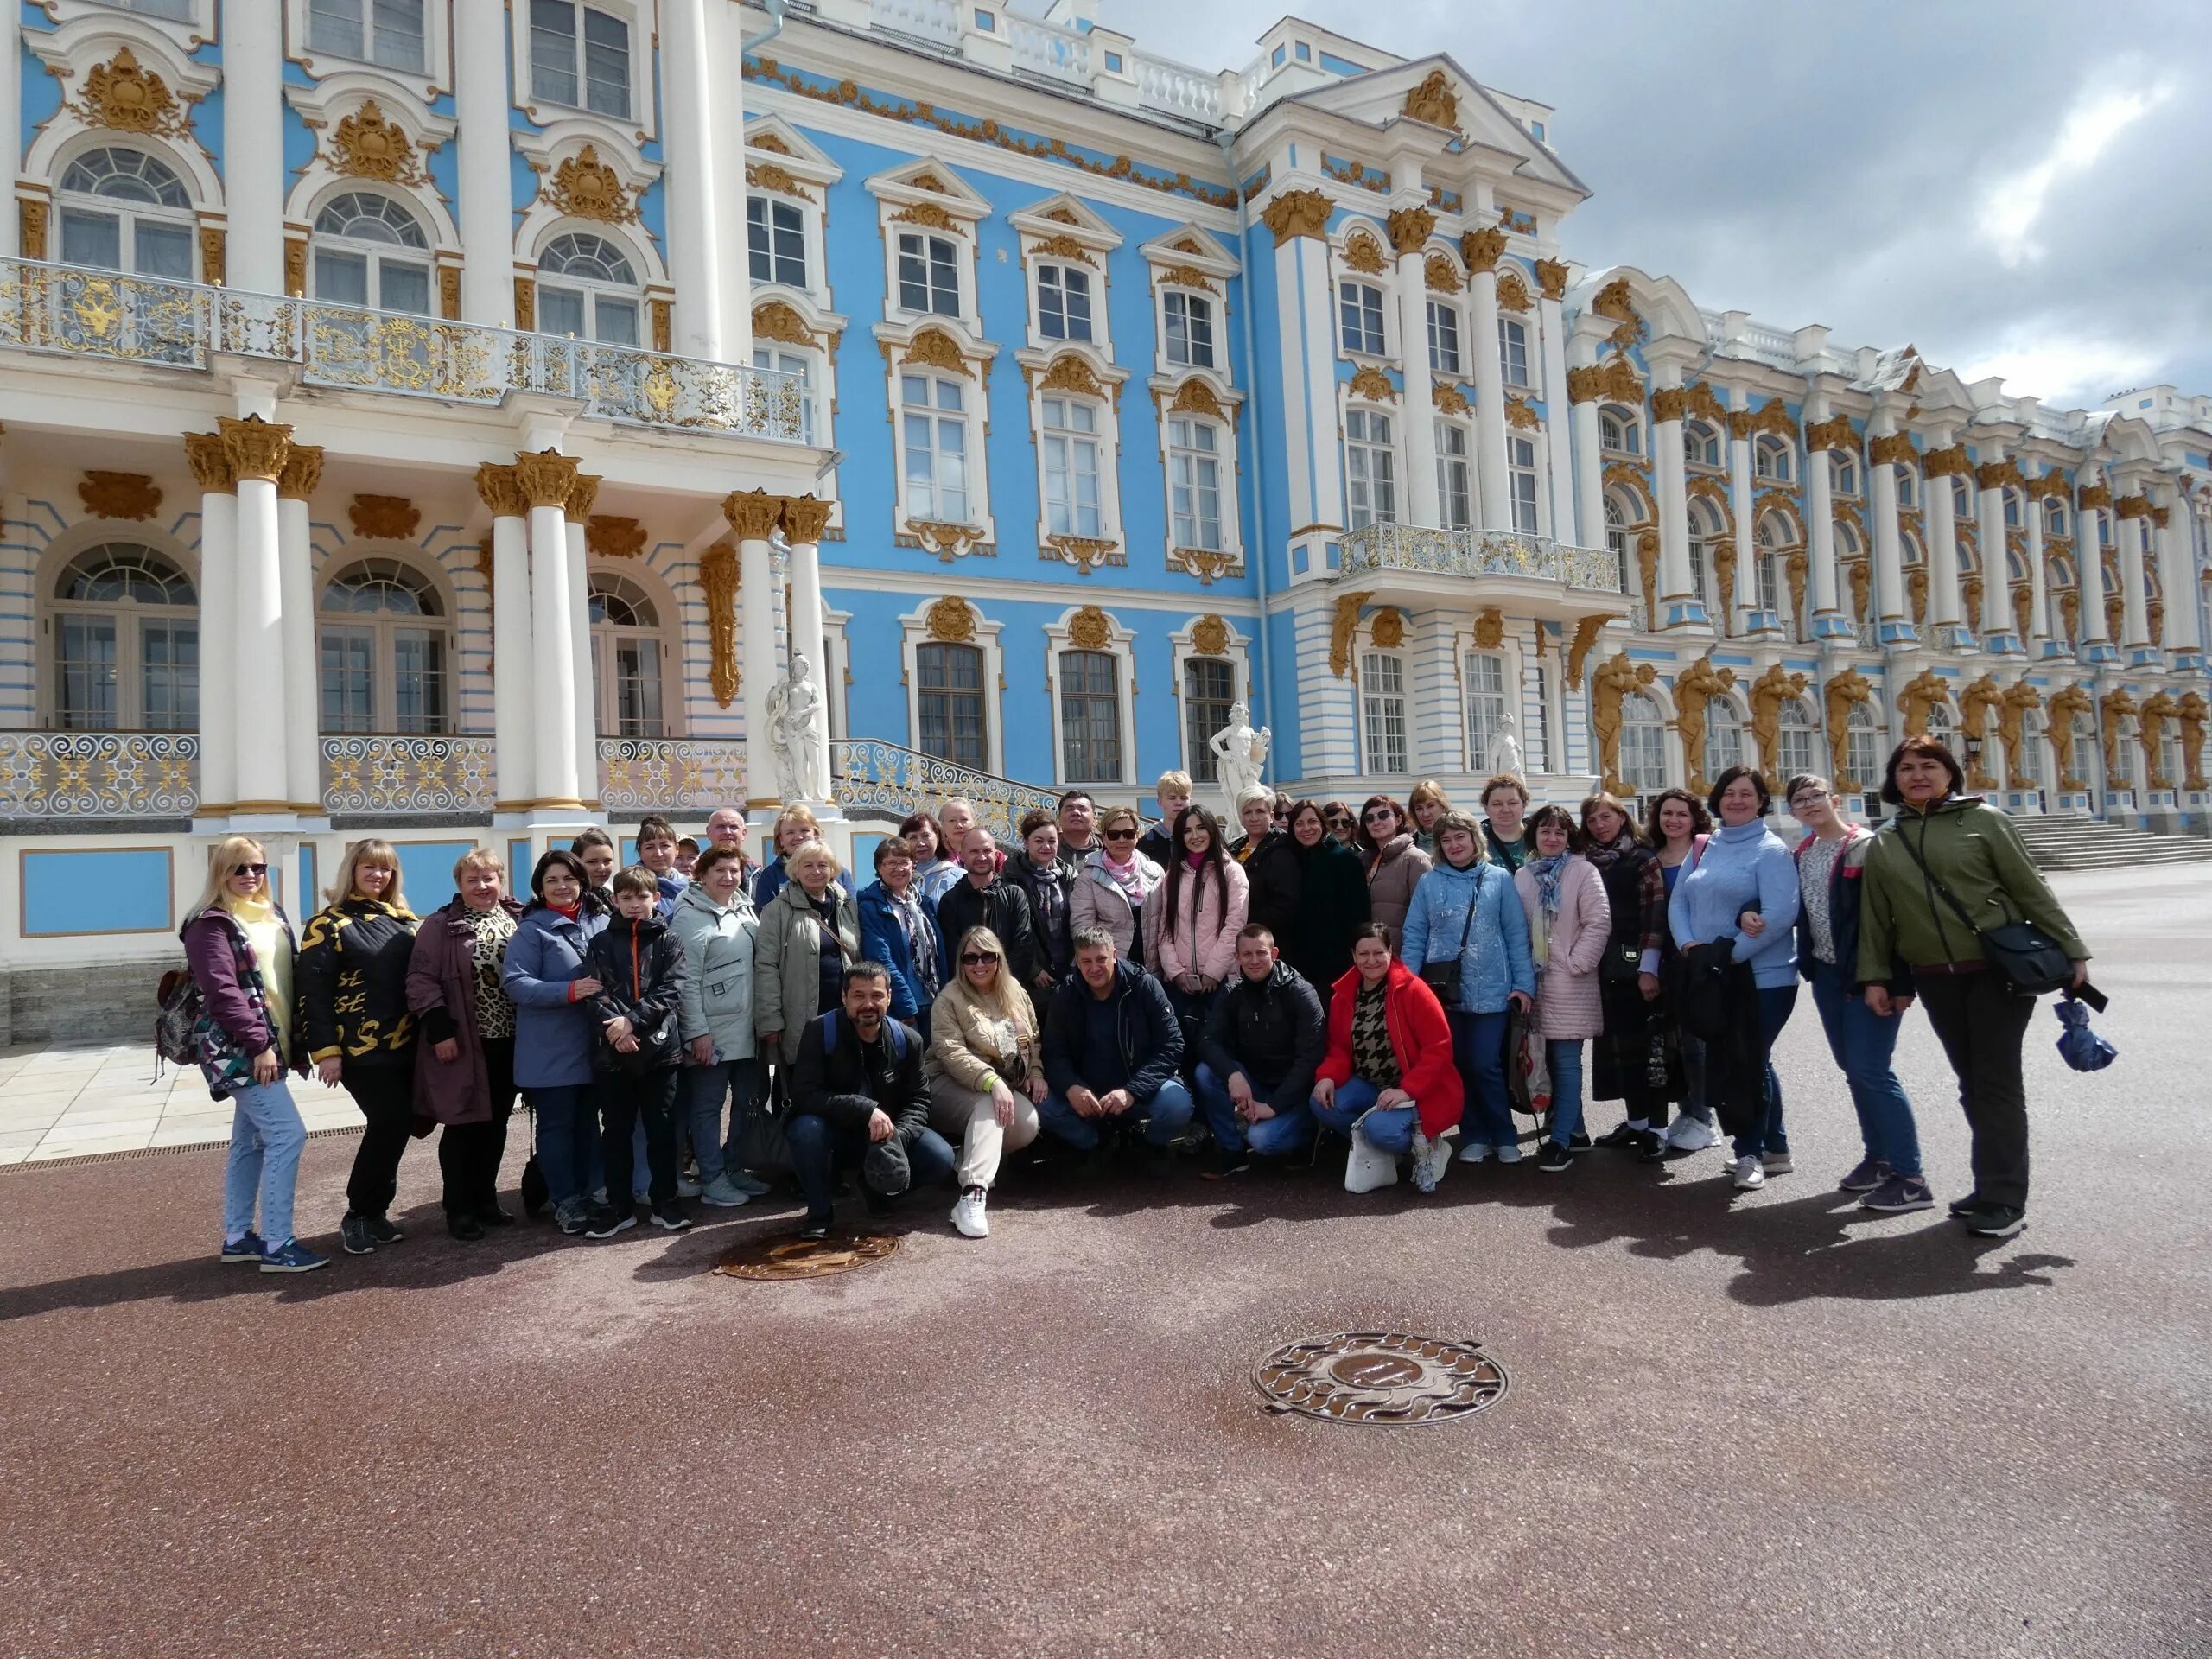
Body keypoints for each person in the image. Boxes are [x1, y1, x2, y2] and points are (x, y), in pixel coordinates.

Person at [1858, 736, 2091, 1238]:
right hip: (1935, 978)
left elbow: (2030, 887)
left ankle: (2005, 1197)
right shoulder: (1885, 839)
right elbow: (1878, 919)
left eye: (1928, 766)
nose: (1917, 775)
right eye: (1906, 768)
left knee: (1996, 1082)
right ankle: (1989, 1185)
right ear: (1893, 780)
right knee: (1971, 1081)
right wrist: (1875, 977)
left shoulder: (1986, 822)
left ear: (1949, 773)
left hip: (1995, 972)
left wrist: (2073, 949)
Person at [1781, 773, 1929, 1211]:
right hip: (1827, 975)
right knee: (1855, 1069)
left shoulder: (1869, 846)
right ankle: (1879, 1157)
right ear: (1792, 811)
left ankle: (1912, 1176)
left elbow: (1896, 916)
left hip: (1870, 975)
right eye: (1799, 800)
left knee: (1872, 1070)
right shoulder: (1803, 853)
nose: (1809, 805)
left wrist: (1896, 981)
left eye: (1815, 797)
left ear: (1836, 800)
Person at [182, 836, 324, 1274]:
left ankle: (239, 1236)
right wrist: (259, 1045)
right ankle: (279, 1243)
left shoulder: (273, 915)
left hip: (273, 1044)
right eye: (238, 869)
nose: (249, 876)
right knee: (287, 1134)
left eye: (257, 868)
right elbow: (223, 994)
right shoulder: (210, 924)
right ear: (220, 873)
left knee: (251, 1141)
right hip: (241, 1049)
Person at [1669, 766, 1801, 1192]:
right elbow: (1679, 902)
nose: (1737, 800)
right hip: (1716, 972)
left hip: (1763, 978)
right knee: (1751, 1059)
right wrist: (1690, 946)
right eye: (1730, 792)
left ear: (1761, 800)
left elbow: (1781, 916)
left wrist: (1726, 957)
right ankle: (1774, 1146)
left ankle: (1750, 1153)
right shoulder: (1707, 845)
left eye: (1747, 793)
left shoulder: (1771, 849)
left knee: (1744, 1063)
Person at [298, 838, 421, 1257]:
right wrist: (326, 1050)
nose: (377, 875)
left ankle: (376, 1212)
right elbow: (312, 991)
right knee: (390, 1120)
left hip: (406, 1043)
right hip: (359, 1049)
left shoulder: (405, 920)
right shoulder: (327, 924)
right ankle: (357, 1214)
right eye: (368, 867)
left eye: (385, 868)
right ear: (351, 870)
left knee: (399, 1124)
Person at [1401, 810, 1535, 1165]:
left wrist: (1524, 985)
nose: (1454, 845)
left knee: (1485, 1064)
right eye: (1446, 840)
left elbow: (1516, 935)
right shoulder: (1430, 882)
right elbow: (1415, 934)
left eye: (1460, 837)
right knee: (1457, 1064)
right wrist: (1410, 987)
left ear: (1475, 839)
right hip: (1442, 992)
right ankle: (1473, 1133)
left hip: (1492, 988)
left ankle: (1504, 1134)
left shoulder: (1499, 879)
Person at [786, 962, 957, 1241]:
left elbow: (919, 1101)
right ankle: (819, 1212)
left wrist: (897, 1141)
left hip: (885, 1135)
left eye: (877, 995)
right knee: (805, 1130)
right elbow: (804, 1095)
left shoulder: (909, 1040)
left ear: (889, 997)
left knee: (941, 1158)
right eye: (858, 996)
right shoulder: (819, 1032)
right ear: (844, 997)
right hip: (835, 1132)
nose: (868, 1004)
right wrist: (866, 1110)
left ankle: (875, 1188)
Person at [406, 849, 524, 1238]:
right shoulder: (441, 925)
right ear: (460, 885)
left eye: (489, 877)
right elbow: (420, 980)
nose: (482, 886)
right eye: (472, 880)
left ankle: (486, 1200)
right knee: (462, 1125)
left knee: (496, 1123)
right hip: (464, 1041)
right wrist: (440, 1031)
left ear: (500, 880)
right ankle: (459, 1209)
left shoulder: (517, 918)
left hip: (510, 1039)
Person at [504, 849, 611, 1236]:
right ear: (540, 888)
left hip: (594, 1045)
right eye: (552, 880)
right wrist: (569, 991)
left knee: (588, 1124)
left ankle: (592, 1192)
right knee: (557, 1128)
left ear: (581, 881)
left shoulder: (600, 920)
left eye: (569, 878)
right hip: (549, 1050)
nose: (562, 886)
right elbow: (515, 983)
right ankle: (565, 1200)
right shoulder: (532, 929)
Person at [580, 867, 691, 1237]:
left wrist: (633, 1023)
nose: (634, 905)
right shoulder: (599, 943)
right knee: (616, 1132)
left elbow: (671, 989)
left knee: (662, 1131)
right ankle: (619, 1206)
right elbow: (595, 992)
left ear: (656, 899)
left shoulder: (670, 940)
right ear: (615, 901)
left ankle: (665, 1202)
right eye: (626, 898)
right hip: (613, 1053)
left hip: (661, 1052)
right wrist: (619, 1031)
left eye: (641, 897)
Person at [1311, 924, 1463, 1194]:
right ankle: (1384, 1152)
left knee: (1379, 1129)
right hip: (1372, 1086)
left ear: (1391, 952)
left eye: (1378, 952)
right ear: (1353, 956)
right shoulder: (1343, 997)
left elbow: (1439, 1049)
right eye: (1363, 954)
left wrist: (1407, 1090)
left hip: (1418, 1090)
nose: (1371, 961)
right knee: (1321, 1103)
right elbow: (1339, 1049)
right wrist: (1327, 1077)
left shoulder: (1414, 991)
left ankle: (1429, 1145)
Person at [928, 925, 1046, 1239]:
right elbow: (951, 1053)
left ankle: (968, 1155)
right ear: (961, 962)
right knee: (990, 1106)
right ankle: (972, 1195)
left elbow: (1032, 1039)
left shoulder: (1014, 992)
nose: (979, 965)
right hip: (945, 1082)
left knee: (1027, 1123)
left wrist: (1034, 1072)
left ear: (999, 958)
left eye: (987, 956)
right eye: (970, 958)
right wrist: (991, 1081)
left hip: (997, 1085)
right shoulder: (949, 998)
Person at [1039, 925, 1194, 1160]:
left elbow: (1172, 1045)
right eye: (1086, 961)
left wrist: (1133, 1091)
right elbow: (1053, 1051)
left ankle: (1146, 1142)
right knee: (1040, 1105)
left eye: (1101, 959)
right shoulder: (1065, 994)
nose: (1094, 968)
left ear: (1114, 955)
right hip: (1086, 1093)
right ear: (1077, 963)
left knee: (1177, 1104)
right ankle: (1094, 1141)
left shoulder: (1144, 986)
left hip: (1138, 1088)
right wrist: (1071, 1086)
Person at [1514, 805, 1612, 1173]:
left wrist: (1576, 963)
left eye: (1559, 832)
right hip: (1536, 982)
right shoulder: (1524, 875)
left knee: (1567, 1063)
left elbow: (1598, 921)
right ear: (1534, 836)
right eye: (1545, 831)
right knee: (1547, 1061)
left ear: (1569, 836)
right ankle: (1578, 1131)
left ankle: (1560, 1143)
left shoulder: (1583, 871)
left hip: (1570, 982)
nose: (1552, 838)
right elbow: (1514, 928)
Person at [1578, 793, 1673, 1162]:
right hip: (1602, 969)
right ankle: (1636, 1123)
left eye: (1606, 817)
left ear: (1622, 817)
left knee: (1649, 1051)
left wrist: (1648, 968)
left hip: (1636, 966)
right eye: (1592, 820)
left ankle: (1658, 1130)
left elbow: (1655, 916)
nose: (1599, 825)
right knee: (1619, 1050)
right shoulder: (1588, 861)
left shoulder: (1642, 860)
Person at [669, 840, 762, 1211]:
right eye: (719, 871)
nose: (728, 877)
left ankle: (734, 1165)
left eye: (734, 870)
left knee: (747, 1102)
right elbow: (686, 981)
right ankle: (711, 1177)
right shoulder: (689, 916)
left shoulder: (744, 909)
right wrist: (697, 1033)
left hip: (749, 1025)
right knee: (707, 1107)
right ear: (701, 876)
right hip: (713, 1031)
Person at [1192, 925, 1327, 1177]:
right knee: (1206, 1073)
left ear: (1274, 953)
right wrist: (1233, 1075)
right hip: (1256, 1081)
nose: (1254, 961)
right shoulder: (1232, 992)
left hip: (1296, 1092)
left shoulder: (1300, 992)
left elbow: (1311, 1059)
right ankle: (1232, 1152)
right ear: (1237, 958)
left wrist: (1273, 1106)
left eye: (1261, 953)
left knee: (1263, 1140)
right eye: (1247, 954)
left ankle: (1309, 1132)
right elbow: (1208, 1039)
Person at [1143, 804, 1248, 1066]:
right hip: (1182, 985)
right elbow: (1165, 929)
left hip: (1221, 981)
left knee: (1219, 1054)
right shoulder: (1172, 876)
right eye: (1187, 831)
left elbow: (1235, 924)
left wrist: (1214, 970)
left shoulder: (1231, 871)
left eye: (1201, 827)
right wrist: (1176, 972)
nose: (1195, 836)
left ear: (1212, 829)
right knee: (1182, 1054)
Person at [1647, 788, 1716, 1153]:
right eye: (1666, 813)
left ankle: (1704, 1117)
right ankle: (1688, 1109)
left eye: (1681, 814)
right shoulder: (1652, 857)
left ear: (1695, 820)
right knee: (1675, 1043)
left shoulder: (1706, 851)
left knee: (1697, 1043)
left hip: (1699, 959)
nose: (1673, 820)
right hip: (1666, 961)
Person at [753, 841, 863, 1068]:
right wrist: (771, 1020)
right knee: (801, 1086)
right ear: (796, 870)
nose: (815, 872)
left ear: (832, 870)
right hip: (800, 1016)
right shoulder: (776, 910)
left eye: (822, 865)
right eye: (808, 865)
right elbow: (766, 966)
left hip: (843, 1012)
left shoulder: (847, 906)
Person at [1281, 799, 1369, 1015]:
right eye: (1299, 824)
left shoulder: (1344, 861)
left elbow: (1358, 916)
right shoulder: (1294, 859)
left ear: (1322, 824)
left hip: (1335, 963)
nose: (1306, 828)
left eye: (1312, 821)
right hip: (1301, 962)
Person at [932, 828, 1038, 990]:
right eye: (974, 851)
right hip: (967, 992)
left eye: (987, 851)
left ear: (995, 854)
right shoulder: (950, 901)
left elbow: (1023, 945)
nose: (982, 857)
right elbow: (952, 953)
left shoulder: (1014, 895)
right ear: (962, 855)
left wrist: (1001, 983)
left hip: (1008, 989)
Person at [856, 835, 942, 1023]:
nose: (899, 869)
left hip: (935, 1002)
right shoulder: (872, 907)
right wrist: (906, 1005)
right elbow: (881, 959)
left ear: (913, 865)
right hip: (901, 1007)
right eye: (891, 863)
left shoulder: (923, 903)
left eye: (904, 862)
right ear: (879, 868)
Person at [1071, 804, 1163, 965]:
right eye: (1114, 835)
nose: (1121, 840)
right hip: (1110, 969)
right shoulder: (1088, 877)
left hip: (1152, 967)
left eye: (1128, 834)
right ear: (1104, 838)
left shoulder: (1156, 873)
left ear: (1137, 835)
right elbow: (1083, 928)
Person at [1007, 810, 1074, 996]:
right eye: (1039, 841)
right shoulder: (1011, 879)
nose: (1046, 846)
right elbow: (1010, 930)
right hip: (1032, 976)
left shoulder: (1069, 875)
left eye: (1052, 841)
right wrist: (1032, 969)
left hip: (1069, 968)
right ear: (1026, 842)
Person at [1230, 784, 1303, 949]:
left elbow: (1285, 906)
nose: (1254, 818)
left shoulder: (1283, 850)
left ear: (1271, 816)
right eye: (1247, 812)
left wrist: (1244, 923)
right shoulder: (1233, 849)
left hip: (1269, 943)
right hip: (1239, 940)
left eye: (1260, 811)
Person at [1356, 794, 1433, 941]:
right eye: (1369, 818)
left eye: (1383, 815)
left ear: (1398, 820)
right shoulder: (1361, 861)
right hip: (1370, 954)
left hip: (1402, 955)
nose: (1376, 822)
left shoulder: (1416, 859)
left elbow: (1427, 917)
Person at [752, 803, 825, 908]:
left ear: (816, 834)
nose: (799, 837)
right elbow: (767, 919)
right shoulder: (770, 877)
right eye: (790, 833)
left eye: (804, 830)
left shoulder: (837, 872)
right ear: (781, 840)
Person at [902, 810, 960, 907]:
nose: (921, 843)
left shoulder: (958, 877)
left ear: (937, 837)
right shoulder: (900, 878)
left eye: (926, 836)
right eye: (913, 838)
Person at [1137, 771, 1192, 868]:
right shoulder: (1146, 842)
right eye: (1172, 798)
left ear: (1190, 802)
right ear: (1159, 802)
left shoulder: (1200, 838)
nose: (1178, 803)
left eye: (1184, 798)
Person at [635, 815, 687, 918]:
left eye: (665, 846)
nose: (658, 854)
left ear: (677, 849)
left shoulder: (689, 887)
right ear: (640, 852)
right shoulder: (632, 886)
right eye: (650, 847)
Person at [1480, 775, 1535, 871]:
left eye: (1512, 803)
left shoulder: (1539, 838)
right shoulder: (1475, 841)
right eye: (1497, 804)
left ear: (1524, 805)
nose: (1505, 810)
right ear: (1486, 808)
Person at [1052, 789, 1098, 879]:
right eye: (1069, 809)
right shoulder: (1046, 850)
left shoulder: (1106, 853)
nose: (1076, 813)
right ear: (1059, 817)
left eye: (1083, 809)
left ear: (1094, 818)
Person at [572, 826, 619, 904]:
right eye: (592, 862)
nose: (602, 868)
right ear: (576, 862)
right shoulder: (570, 900)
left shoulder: (610, 894)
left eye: (607, 861)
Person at [1408, 779, 1452, 856]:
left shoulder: (1457, 840)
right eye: (1419, 808)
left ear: (1442, 806)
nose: (1425, 814)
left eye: (1430, 806)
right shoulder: (1409, 847)